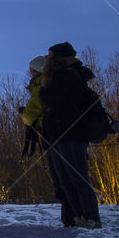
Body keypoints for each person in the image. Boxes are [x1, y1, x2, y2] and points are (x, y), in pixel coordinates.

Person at [39, 42, 101, 229]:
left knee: (77, 178)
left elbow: (53, 99)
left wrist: (44, 91)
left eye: (50, 55)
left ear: (58, 57)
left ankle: (91, 218)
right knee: (66, 181)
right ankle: (80, 217)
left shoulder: (67, 76)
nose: (47, 58)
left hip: (71, 133)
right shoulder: (60, 76)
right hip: (58, 134)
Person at [20, 55, 75, 227]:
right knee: (69, 177)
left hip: (52, 135)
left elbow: (30, 115)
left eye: (31, 69)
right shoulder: (57, 85)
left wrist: (24, 114)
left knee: (63, 179)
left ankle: (71, 219)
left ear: (36, 70)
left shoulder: (41, 87)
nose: (29, 72)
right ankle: (76, 217)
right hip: (61, 135)